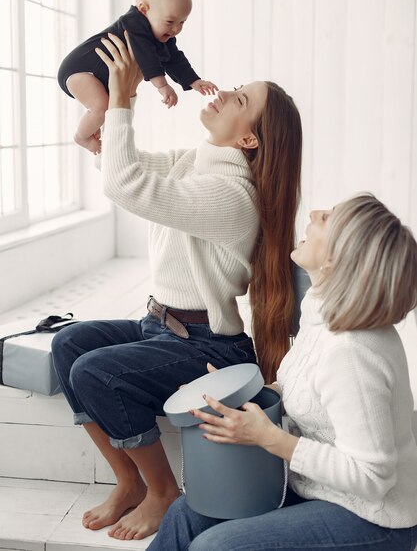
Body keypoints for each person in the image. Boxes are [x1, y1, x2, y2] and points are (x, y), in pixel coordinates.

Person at [51, 31, 303, 541]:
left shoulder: (232, 196)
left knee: (96, 372)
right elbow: (133, 170)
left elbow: (130, 187)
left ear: (249, 139)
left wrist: (121, 99)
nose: (219, 94)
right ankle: (129, 481)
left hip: (208, 345)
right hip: (160, 326)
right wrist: (101, 136)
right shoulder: (199, 162)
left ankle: (163, 491)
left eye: (238, 100)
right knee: (68, 343)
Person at [149, 194, 417, 551]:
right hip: (317, 489)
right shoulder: (322, 312)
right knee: (187, 513)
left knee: (216, 547)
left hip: (372, 516)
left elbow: (373, 477)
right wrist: (227, 395)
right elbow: (306, 392)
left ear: (337, 258)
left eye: (327, 219)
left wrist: (268, 437)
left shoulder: (351, 352)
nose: (314, 213)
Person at [57, 0, 218, 154]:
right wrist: (162, 86)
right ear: (143, 9)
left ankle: (97, 135)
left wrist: (194, 81)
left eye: (182, 22)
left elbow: (175, 58)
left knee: (110, 109)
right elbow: (146, 57)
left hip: (94, 75)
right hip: (79, 72)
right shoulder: (133, 23)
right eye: (170, 21)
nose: (176, 30)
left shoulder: (160, 35)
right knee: (101, 107)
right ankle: (81, 136)